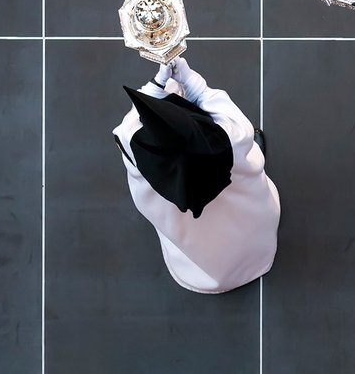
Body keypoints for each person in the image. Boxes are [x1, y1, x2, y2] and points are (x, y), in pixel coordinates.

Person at [114, 57, 280, 293]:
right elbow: (235, 123)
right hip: (244, 213)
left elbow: (124, 132)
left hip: (192, 243)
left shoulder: (140, 160)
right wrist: (193, 83)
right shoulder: (231, 142)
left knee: (199, 244)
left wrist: (154, 87)